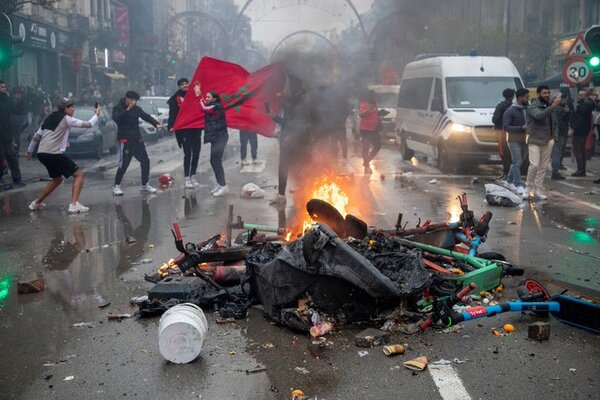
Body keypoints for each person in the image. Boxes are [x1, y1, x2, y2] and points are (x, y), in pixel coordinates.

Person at [26, 99, 100, 213]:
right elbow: (88, 124)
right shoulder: (66, 119)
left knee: (57, 179)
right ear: (65, 109)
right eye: (71, 107)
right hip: (53, 153)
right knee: (79, 175)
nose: (73, 109)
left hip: (42, 153)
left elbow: (36, 136)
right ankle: (74, 204)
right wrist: (96, 115)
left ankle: (36, 203)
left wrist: (30, 150)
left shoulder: (49, 118)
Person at [111, 90, 163, 196]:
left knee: (145, 161)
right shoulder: (118, 108)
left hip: (137, 140)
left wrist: (156, 124)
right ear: (127, 99)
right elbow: (116, 118)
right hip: (125, 141)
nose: (134, 102)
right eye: (132, 100)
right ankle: (116, 186)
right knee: (123, 165)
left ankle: (145, 185)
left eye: (135, 100)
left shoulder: (137, 109)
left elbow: (146, 116)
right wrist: (127, 109)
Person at [523, 85, 561, 200]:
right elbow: (539, 116)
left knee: (543, 166)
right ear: (539, 94)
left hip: (548, 140)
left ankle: (538, 188)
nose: (547, 95)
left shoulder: (549, 106)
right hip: (535, 140)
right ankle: (528, 187)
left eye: (548, 93)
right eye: (544, 93)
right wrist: (553, 106)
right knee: (534, 165)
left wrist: (554, 138)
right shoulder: (532, 107)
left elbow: (555, 123)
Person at [193, 83, 229, 197]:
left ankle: (223, 186)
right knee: (214, 161)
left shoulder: (216, 106)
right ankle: (220, 184)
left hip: (220, 137)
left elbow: (204, 108)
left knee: (216, 161)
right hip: (215, 137)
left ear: (214, 98)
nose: (207, 99)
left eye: (208, 97)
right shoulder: (213, 106)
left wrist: (199, 95)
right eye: (206, 97)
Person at [168, 78, 202, 189]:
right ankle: (187, 178)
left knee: (196, 153)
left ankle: (193, 176)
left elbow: (202, 106)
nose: (185, 85)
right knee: (188, 154)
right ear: (179, 86)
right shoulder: (175, 99)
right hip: (183, 131)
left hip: (195, 129)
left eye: (186, 83)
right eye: (182, 84)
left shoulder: (194, 95)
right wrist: (171, 126)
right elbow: (172, 114)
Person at [502, 88, 529, 195]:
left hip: (524, 139)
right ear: (519, 98)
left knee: (519, 162)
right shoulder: (510, 110)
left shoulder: (526, 109)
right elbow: (506, 127)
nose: (528, 99)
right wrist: (521, 127)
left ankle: (508, 181)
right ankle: (518, 184)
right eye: (526, 97)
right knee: (517, 161)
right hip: (513, 140)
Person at [0, 81, 24, 188]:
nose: (4, 89)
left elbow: (17, 111)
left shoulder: (7, 99)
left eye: (4, 87)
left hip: (6, 134)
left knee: (12, 157)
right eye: (2, 87)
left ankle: (17, 179)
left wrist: (20, 101)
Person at [569, 90, 595, 177]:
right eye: (579, 95)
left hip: (579, 131)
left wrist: (573, 129)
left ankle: (580, 170)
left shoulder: (583, 106)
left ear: (586, 96)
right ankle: (582, 170)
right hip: (583, 130)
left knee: (577, 150)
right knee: (581, 150)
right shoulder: (586, 105)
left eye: (581, 95)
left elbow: (579, 119)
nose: (580, 96)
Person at [492, 88, 515, 180]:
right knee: (512, 153)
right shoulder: (515, 106)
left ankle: (506, 173)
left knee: (504, 153)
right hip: (514, 132)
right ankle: (510, 173)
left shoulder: (501, 106)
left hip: (502, 132)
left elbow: (495, 119)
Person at [358, 90, 381, 174]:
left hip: (374, 129)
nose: (375, 98)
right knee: (366, 147)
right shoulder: (364, 105)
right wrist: (367, 110)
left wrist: (379, 119)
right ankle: (367, 165)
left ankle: (367, 161)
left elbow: (376, 116)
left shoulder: (375, 106)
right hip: (365, 129)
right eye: (374, 96)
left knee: (377, 146)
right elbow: (361, 114)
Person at [550, 94, 571, 180]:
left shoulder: (553, 108)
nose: (566, 101)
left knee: (556, 153)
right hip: (559, 134)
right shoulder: (559, 109)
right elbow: (560, 122)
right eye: (566, 99)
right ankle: (555, 172)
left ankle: (555, 171)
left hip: (555, 133)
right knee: (557, 153)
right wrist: (566, 112)